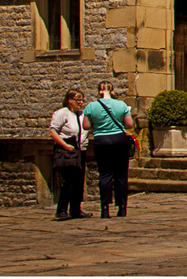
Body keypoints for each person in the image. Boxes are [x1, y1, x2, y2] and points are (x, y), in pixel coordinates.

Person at [81, 80, 138, 218]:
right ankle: (122, 206)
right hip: (119, 139)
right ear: (112, 90)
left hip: (101, 140)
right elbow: (129, 124)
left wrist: (99, 124)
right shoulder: (121, 105)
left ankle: (105, 207)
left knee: (105, 174)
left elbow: (86, 126)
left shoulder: (91, 106)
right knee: (120, 174)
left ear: (99, 91)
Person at [48, 89, 90, 220]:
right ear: (69, 100)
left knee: (79, 181)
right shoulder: (62, 113)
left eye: (82, 99)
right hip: (67, 150)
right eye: (77, 99)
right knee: (69, 181)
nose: (80, 102)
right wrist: (65, 145)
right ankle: (61, 209)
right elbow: (53, 131)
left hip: (80, 150)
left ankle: (76, 209)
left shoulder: (82, 115)